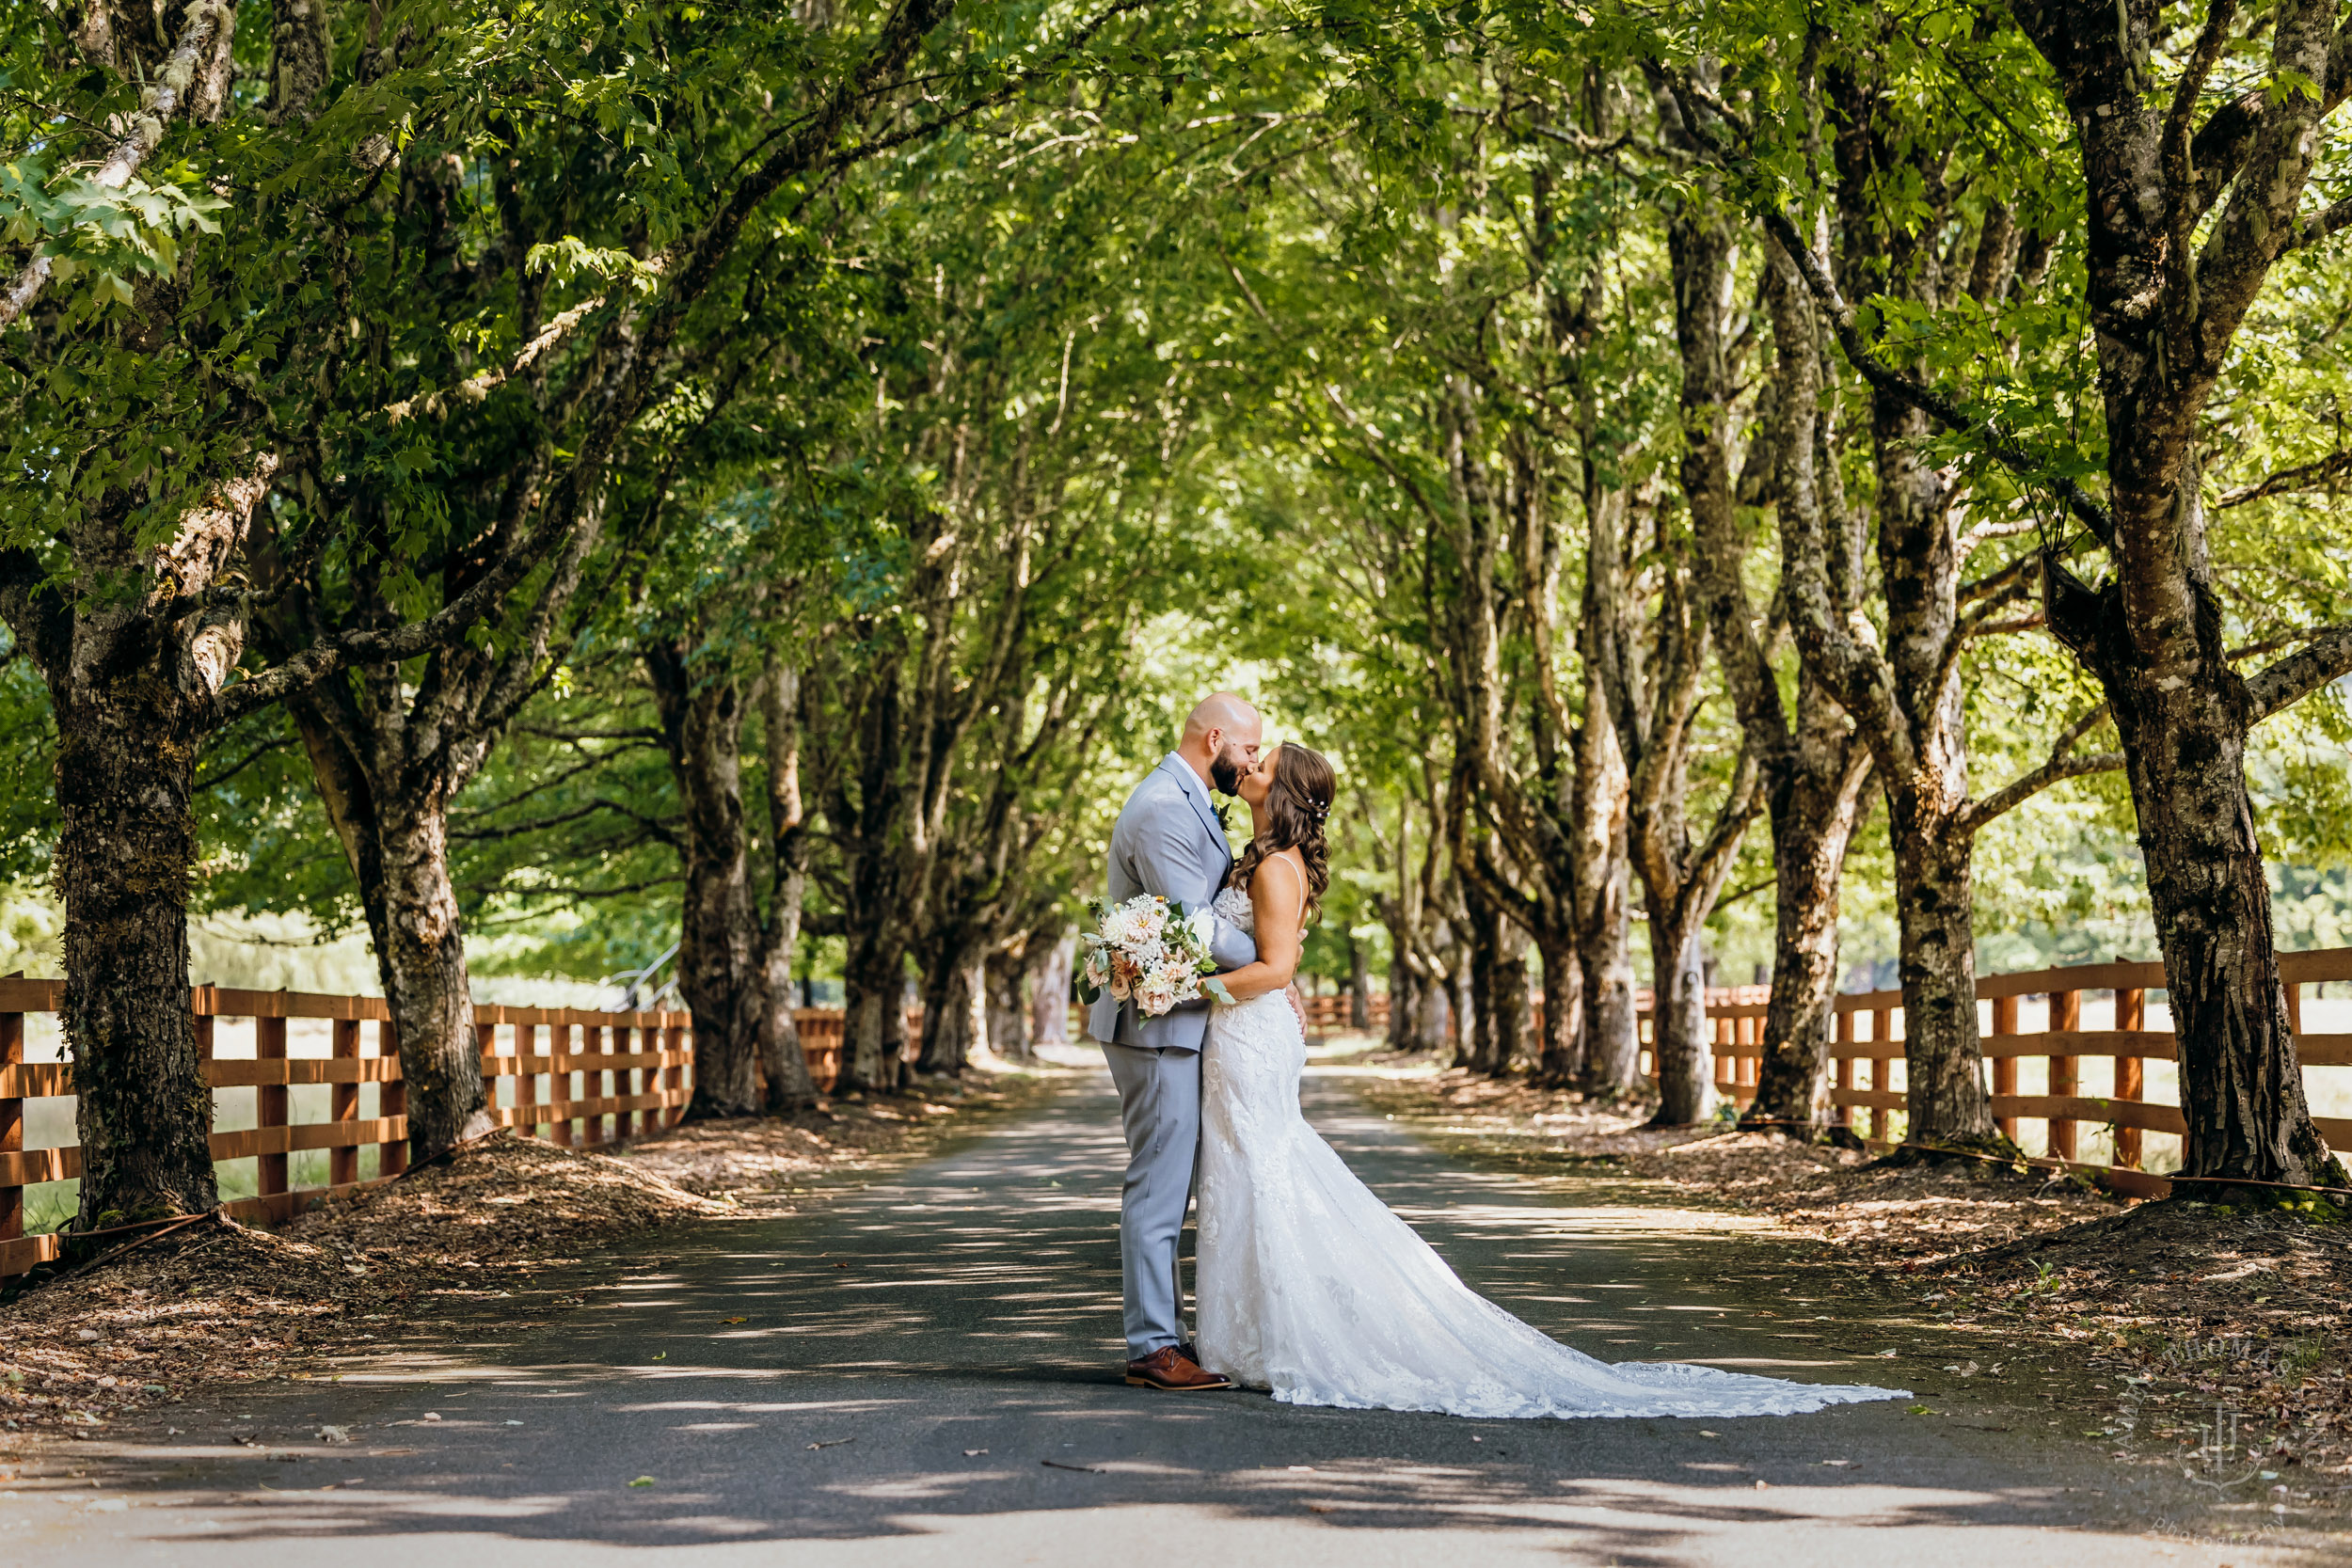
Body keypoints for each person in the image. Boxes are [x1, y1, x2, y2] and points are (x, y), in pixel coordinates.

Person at [1191, 741, 1911, 1419]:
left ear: (1283, 790)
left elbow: (1279, 969)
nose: (1251, 762)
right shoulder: (1262, 857)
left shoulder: (1276, 866)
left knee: (1264, 1172)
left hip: (1250, 1034)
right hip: (1249, 1033)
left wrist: (1194, 987)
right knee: (1247, 1172)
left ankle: (1280, 1336)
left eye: (1267, 759)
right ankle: (1253, 1332)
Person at [1088, 693, 1267, 1392]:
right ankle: (1153, 1346)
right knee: (1159, 1184)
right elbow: (1195, 924)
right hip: (1154, 1023)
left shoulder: (1188, 796)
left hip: (1179, 1018)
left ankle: (1166, 1332)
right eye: (1249, 749)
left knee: (1175, 1179)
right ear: (1215, 736)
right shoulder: (1164, 805)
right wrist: (1272, 957)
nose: (1252, 761)